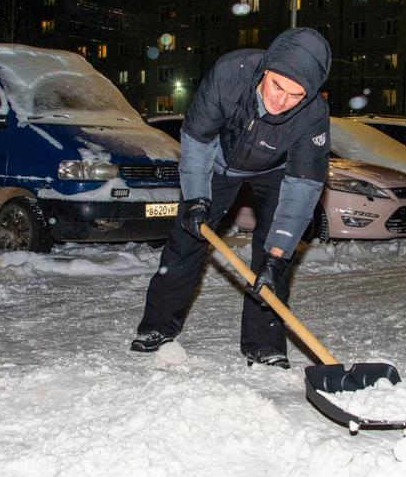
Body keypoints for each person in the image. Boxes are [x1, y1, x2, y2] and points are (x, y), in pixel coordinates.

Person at [130, 27, 332, 369]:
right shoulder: (230, 74)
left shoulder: (312, 116)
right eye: (277, 86)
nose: (281, 100)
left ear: (309, 95)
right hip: (220, 161)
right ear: (265, 69)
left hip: (277, 170)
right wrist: (196, 198)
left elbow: (302, 188)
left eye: (295, 95)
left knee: (273, 260)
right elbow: (197, 139)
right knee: (187, 239)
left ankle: (263, 345)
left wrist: (278, 254)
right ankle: (157, 327)